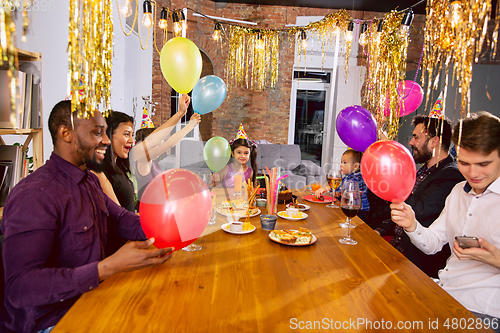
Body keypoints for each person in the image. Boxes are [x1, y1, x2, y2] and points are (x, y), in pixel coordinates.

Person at [1, 101, 174, 333]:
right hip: (50, 322)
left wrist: (169, 223)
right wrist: (106, 268)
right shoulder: (34, 194)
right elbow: (20, 288)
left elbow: (120, 219)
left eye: (104, 132)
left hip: (94, 298)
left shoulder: (89, 180)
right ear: (66, 134)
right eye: (96, 132)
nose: (105, 140)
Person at [390, 111, 500, 329]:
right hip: (444, 291)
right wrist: (412, 225)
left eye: (483, 164)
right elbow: (432, 245)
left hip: (484, 311)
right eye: (464, 163)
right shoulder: (459, 190)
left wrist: (496, 259)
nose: (472, 173)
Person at [372, 115, 464, 278]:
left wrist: (394, 170)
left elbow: (419, 209)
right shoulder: (422, 170)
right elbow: (399, 210)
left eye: (416, 137)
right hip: (394, 247)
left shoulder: (451, 174)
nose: (411, 142)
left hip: (415, 263)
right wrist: (380, 230)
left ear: (434, 141)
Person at [95, 94, 200, 212]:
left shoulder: (122, 162)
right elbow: (159, 141)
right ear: (109, 135)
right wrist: (182, 117)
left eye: (132, 135)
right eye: (126, 134)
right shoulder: (100, 172)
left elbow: (157, 140)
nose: (131, 140)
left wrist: (181, 113)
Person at [314, 149, 370, 221]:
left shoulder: (357, 178)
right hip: (350, 207)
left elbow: (343, 187)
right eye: (341, 162)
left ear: (356, 166)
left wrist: (325, 189)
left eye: (345, 163)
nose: (341, 165)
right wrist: (337, 192)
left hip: (360, 211)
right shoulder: (347, 176)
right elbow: (340, 189)